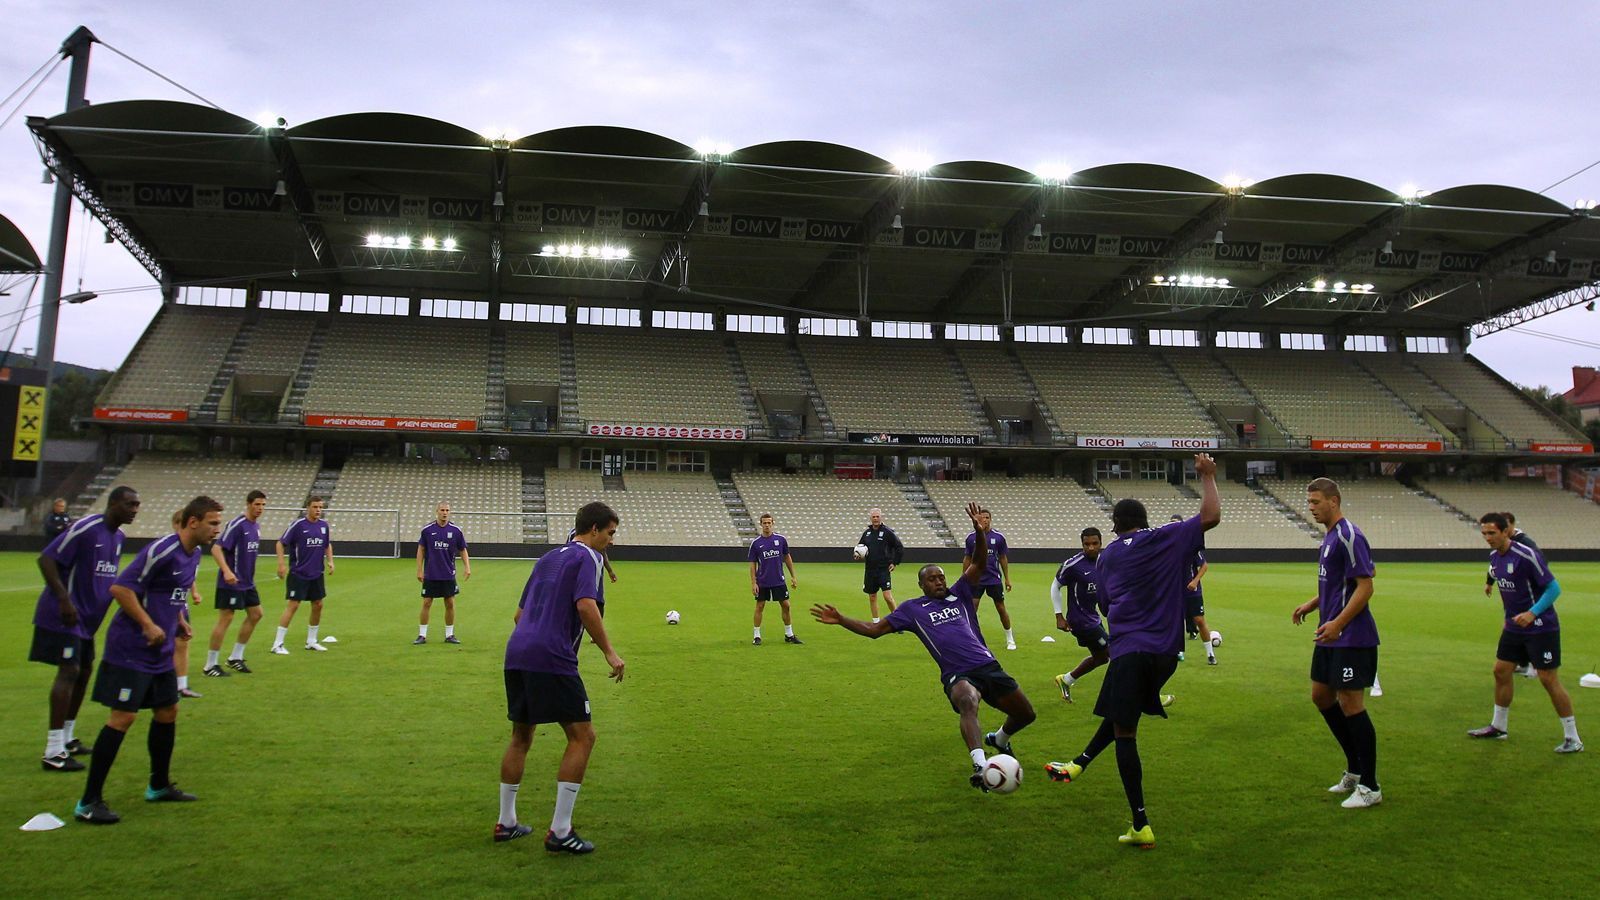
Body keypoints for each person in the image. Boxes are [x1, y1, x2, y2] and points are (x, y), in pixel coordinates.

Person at [1044, 454, 1220, 849]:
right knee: (1124, 711)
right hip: (1167, 653)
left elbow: (1104, 605)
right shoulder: (1163, 537)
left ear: (1115, 527)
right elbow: (1210, 516)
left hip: (1130, 648)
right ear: (1142, 520)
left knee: (1125, 729)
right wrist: (1208, 477)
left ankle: (1140, 823)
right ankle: (1079, 763)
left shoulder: (1106, 556)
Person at [813, 502, 1036, 791]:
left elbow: (980, 563)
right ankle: (980, 764)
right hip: (958, 673)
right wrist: (842, 619)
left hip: (988, 665)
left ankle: (1000, 739)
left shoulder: (961, 593)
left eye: (941, 576)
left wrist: (979, 532)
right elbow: (874, 630)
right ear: (922, 585)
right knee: (968, 701)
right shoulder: (912, 609)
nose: (939, 581)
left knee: (1026, 714)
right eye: (932, 579)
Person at [74, 495, 222, 825]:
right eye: (213, 522)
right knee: (122, 719)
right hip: (131, 649)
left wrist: (178, 621)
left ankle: (158, 785)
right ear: (193, 521)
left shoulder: (193, 554)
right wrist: (148, 623)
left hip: (161, 652)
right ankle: (88, 801)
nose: (217, 529)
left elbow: (172, 593)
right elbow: (122, 589)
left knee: (168, 711)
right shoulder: (163, 550)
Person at [496, 501, 625, 852]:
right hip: (551, 656)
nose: (612, 541)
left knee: (521, 735)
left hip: (517, 653)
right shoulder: (587, 558)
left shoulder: (547, 558)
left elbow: (518, 615)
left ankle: (506, 822)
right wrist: (610, 652)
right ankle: (561, 831)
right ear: (594, 529)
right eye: (610, 533)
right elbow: (585, 606)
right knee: (583, 736)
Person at [31, 487, 139, 772]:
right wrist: (63, 599)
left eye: (137, 505)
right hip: (65, 616)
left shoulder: (118, 537)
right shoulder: (87, 527)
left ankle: (67, 738)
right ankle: (53, 750)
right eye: (129, 504)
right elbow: (46, 559)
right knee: (69, 671)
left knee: (84, 672)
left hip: (88, 622)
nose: (135, 509)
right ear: (113, 503)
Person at [1291, 477, 1382, 809]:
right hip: (1329, 633)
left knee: (1351, 703)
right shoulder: (1329, 537)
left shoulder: (1349, 535)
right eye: (1309, 502)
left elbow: (1365, 586)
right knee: (1320, 696)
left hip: (1351, 636)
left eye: (1316, 502)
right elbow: (1336, 584)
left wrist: (1339, 623)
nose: (1311, 508)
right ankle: (1355, 770)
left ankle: (1370, 786)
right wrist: (1312, 604)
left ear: (1334, 501)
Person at [1467, 512, 1583, 752]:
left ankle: (1573, 738)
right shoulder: (1493, 558)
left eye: (1492, 533)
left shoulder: (1526, 555)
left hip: (1540, 627)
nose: (1488, 538)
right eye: (1484, 533)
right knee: (1500, 671)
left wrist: (1532, 613)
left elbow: (1554, 588)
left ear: (1505, 531)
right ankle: (1499, 726)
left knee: (1548, 679)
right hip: (1513, 627)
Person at [204, 490, 266, 677]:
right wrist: (227, 571)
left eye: (263, 505)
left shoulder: (255, 526)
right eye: (257, 504)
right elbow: (216, 548)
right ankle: (210, 664)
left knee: (256, 614)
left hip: (247, 582)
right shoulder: (237, 524)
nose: (260, 508)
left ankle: (235, 657)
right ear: (248, 504)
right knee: (226, 618)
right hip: (231, 582)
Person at [1051, 527, 1108, 703]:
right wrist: (1059, 615)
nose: (1091, 547)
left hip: (1093, 617)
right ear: (1082, 544)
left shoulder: (1104, 562)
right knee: (1115, 653)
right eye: (1086, 544)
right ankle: (1145, 695)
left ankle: (1066, 679)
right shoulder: (1073, 565)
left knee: (1101, 657)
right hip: (1080, 621)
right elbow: (1055, 586)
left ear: (1101, 543)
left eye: (1095, 543)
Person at [271, 497, 334, 654]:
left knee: (318, 605)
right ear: (308, 508)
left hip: (317, 573)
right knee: (293, 605)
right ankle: (277, 644)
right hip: (298, 573)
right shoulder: (298, 525)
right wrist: (281, 563)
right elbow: (280, 543)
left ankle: (311, 641)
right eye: (315, 507)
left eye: (320, 507)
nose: (318, 510)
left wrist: (330, 561)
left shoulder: (323, 526)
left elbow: (327, 544)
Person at [1484, 512, 1538, 679]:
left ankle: (1534, 665)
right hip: (1512, 601)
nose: (1488, 537)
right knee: (1512, 631)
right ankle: (1522, 663)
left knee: (1531, 632)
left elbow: (1540, 567)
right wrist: (1490, 582)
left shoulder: (1525, 544)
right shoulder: (1496, 552)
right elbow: (1495, 566)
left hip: (1528, 600)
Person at [416, 503, 471, 645]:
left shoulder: (456, 531)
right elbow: (421, 549)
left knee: (450, 603)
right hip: (431, 574)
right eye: (442, 510)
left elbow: (463, 549)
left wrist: (467, 567)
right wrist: (419, 569)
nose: (445, 513)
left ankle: (449, 635)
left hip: (448, 574)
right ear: (437, 512)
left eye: (447, 510)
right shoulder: (427, 530)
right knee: (427, 602)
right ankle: (422, 635)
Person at [1170, 514, 1221, 665]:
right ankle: (1179, 652)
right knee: (1176, 621)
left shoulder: (1190, 545)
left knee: (1199, 620)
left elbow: (1204, 565)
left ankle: (1210, 654)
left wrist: (1195, 580)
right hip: (1175, 590)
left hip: (1192, 590)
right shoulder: (1168, 547)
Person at [963, 508, 1016, 650]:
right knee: (972, 609)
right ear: (977, 520)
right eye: (982, 518)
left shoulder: (998, 537)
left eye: (987, 517)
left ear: (990, 519)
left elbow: (1003, 558)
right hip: (976, 579)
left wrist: (1007, 579)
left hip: (993, 578)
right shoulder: (970, 538)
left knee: (1000, 607)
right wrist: (964, 579)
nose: (984, 520)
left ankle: (1010, 638)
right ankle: (971, 639)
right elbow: (967, 558)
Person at [748, 513, 800, 645]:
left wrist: (793, 576)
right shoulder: (756, 544)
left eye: (769, 523)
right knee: (760, 606)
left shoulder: (781, 540)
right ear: (761, 524)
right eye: (764, 523)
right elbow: (752, 564)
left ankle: (789, 634)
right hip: (763, 580)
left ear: (773, 523)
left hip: (778, 580)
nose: (767, 525)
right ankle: (756, 636)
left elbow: (787, 557)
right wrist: (754, 582)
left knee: (786, 606)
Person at [856, 508, 904, 623]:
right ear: (870, 518)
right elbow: (860, 548)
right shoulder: (867, 533)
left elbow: (899, 547)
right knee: (872, 597)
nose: (876, 519)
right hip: (870, 570)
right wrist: (857, 555)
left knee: (887, 597)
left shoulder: (888, 532)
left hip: (883, 569)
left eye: (877, 516)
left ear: (881, 517)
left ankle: (898, 621)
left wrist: (894, 562)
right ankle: (876, 622)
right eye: (874, 517)